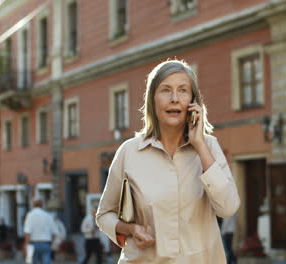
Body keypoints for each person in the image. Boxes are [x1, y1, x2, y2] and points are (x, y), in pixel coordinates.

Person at [96, 59, 240, 263]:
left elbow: (227, 208)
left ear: (193, 100)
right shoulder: (129, 152)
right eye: (165, 90)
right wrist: (129, 229)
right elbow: (104, 215)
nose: (174, 99)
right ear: (152, 100)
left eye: (182, 90)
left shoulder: (209, 147)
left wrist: (199, 145)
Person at [23, 198, 58, 264]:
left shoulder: (30, 215)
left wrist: (26, 245)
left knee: (33, 262)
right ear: (42, 205)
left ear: (33, 205)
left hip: (33, 244)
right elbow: (54, 232)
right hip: (46, 243)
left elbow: (27, 232)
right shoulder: (48, 215)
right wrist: (51, 242)